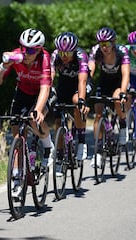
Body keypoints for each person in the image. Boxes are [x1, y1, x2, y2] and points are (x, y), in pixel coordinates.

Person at [0, 28, 54, 196]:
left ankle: (48, 146)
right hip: (23, 92)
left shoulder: (44, 59)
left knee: (34, 120)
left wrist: (38, 110)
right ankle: (17, 176)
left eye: (31, 50)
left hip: (41, 93)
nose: (26, 53)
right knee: (17, 133)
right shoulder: (16, 56)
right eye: (23, 48)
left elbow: (45, 88)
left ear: (39, 49)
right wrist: (4, 67)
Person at [88, 27, 130, 168]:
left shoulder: (121, 51)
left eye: (107, 44)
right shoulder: (96, 51)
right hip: (104, 83)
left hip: (119, 83)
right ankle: (98, 151)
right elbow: (90, 69)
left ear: (114, 42)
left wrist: (123, 92)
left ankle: (123, 124)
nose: (104, 47)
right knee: (98, 114)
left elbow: (125, 74)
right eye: (101, 44)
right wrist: (87, 83)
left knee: (117, 99)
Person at [50, 32, 91, 165]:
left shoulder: (81, 55)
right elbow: (50, 76)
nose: (64, 57)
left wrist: (81, 100)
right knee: (57, 120)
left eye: (67, 53)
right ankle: (60, 154)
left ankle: (82, 141)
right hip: (64, 86)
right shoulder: (56, 55)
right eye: (62, 53)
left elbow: (82, 81)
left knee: (76, 102)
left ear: (74, 51)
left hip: (80, 85)